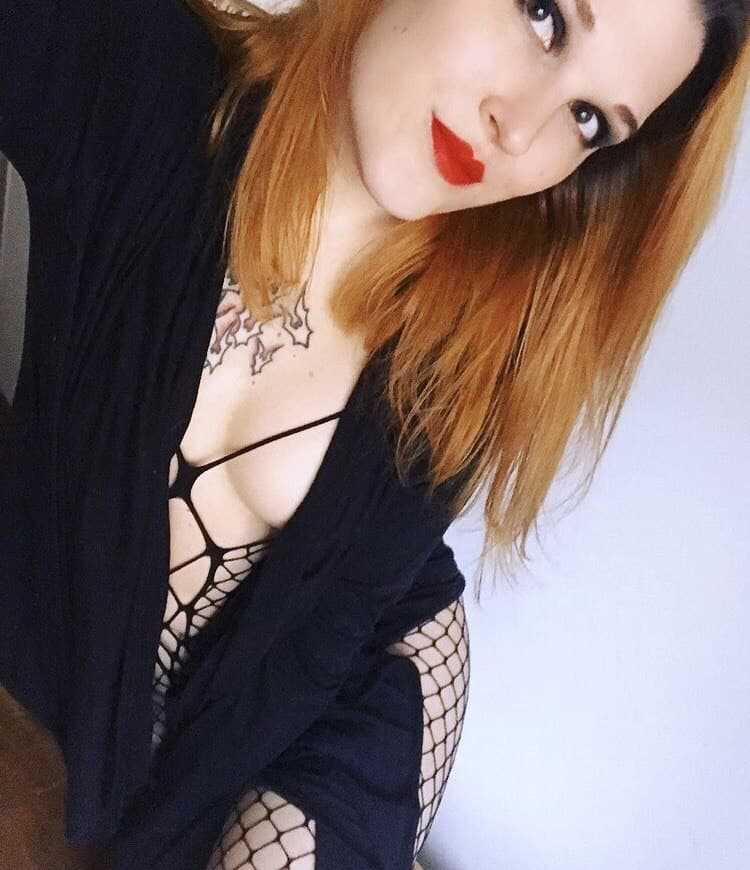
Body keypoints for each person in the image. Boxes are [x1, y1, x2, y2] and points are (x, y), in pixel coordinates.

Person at [0, 1, 746, 868]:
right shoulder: (148, 83)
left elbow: (270, 703)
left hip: (372, 659)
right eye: (544, 16)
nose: (519, 130)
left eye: (588, 120)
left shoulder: (466, 355)